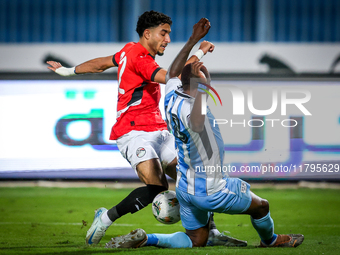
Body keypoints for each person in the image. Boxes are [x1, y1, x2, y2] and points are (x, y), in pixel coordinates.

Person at [47, 11, 245, 247]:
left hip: (159, 130)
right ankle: (106, 217)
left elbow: (100, 64)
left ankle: (211, 231)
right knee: (157, 187)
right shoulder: (138, 56)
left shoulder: (128, 51)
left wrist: (67, 70)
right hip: (133, 132)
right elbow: (174, 77)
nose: (168, 39)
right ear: (147, 33)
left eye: (169, 34)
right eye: (164, 33)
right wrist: (197, 48)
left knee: (191, 176)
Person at [104, 30, 305, 249]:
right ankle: (271, 240)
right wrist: (203, 87)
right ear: (196, 86)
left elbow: (174, 70)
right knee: (262, 207)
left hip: (185, 187)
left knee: (196, 239)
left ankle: (148, 238)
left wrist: (197, 49)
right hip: (212, 190)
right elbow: (198, 123)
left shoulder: (172, 93)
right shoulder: (193, 110)